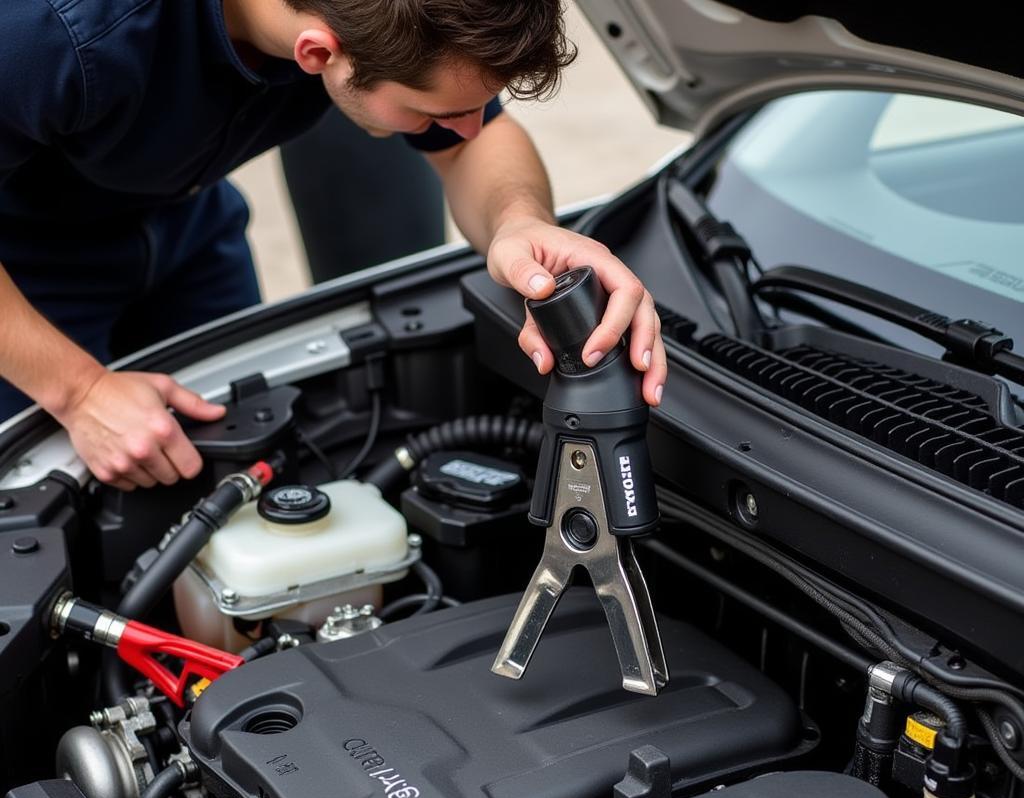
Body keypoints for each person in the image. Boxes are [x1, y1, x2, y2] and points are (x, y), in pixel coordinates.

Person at [0, 0, 667, 491]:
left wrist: (519, 223)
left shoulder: (386, 27)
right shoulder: (54, 34)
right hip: (25, 278)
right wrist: (81, 391)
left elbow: (483, 142)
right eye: (434, 114)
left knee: (227, 475)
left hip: (188, 232)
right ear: (317, 54)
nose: (467, 128)